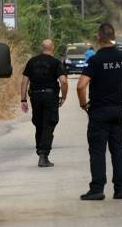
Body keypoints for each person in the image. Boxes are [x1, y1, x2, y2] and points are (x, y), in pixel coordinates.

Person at [77, 23, 122, 201]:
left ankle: (97, 189)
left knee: (97, 150)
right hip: (118, 109)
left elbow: (81, 85)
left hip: (99, 110)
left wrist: (83, 104)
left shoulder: (95, 60)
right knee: (117, 149)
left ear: (98, 37)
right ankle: (120, 189)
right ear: (114, 36)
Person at [20, 39, 69, 167]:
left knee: (39, 124)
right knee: (49, 124)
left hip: (35, 96)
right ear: (52, 47)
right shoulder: (56, 62)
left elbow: (24, 81)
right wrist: (63, 97)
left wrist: (23, 99)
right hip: (50, 96)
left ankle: (40, 150)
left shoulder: (32, 62)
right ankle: (43, 155)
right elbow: (63, 81)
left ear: (41, 48)